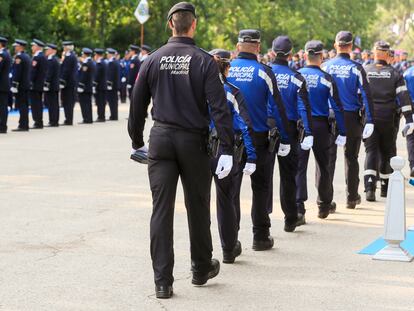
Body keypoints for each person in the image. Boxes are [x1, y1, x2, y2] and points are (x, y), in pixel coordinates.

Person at [128, 2, 234, 299]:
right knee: (198, 204)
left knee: (161, 209)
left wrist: (137, 141)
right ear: (194, 25)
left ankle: (163, 281)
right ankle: (201, 268)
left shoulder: (152, 59)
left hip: (161, 138)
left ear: (170, 25)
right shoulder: (203, 61)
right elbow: (219, 107)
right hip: (192, 141)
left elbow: (137, 105)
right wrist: (226, 147)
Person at [227, 29, 290, 250]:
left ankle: (230, 242)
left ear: (237, 46)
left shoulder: (227, 68)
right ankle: (260, 236)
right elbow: (277, 108)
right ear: (258, 46)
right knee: (261, 187)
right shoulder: (264, 71)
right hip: (258, 136)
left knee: (231, 189)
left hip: (231, 136)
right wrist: (285, 138)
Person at [209, 48, 256, 263]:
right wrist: (252, 155)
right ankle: (229, 247)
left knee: (199, 201)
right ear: (228, 68)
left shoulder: (198, 89)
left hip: (201, 149)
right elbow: (244, 126)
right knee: (227, 200)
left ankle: (202, 255)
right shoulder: (232, 91)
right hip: (225, 149)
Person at [322, 31, 375, 209]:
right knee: (351, 158)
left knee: (328, 159)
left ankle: (325, 201)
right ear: (351, 46)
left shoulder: (325, 66)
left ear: (336, 45)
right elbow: (367, 96)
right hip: (351, 117)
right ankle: (352, 197)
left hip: (329, 116)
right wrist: (370, 120)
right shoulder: (356, 67)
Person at [297, 40, 347, 219]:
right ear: (321, 56)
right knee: (323, 166)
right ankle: (324, 205)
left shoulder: (296, 75)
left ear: (304, 55)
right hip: (320, 125)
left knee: (299, 167)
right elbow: (337, 106)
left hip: (300, 125)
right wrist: (342, 131)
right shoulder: (326, 78)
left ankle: (298, 208)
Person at [269, 35, 313, 229]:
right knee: (289, 176)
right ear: (291, 54)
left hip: (267, 128)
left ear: (271, 52)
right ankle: (290, 218)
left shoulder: (265, 71)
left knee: (264, 177)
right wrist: (308, 132)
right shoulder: (296, 77)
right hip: (289, 129)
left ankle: (263, 221)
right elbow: (303, 107)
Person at [363, 41, 414, 201]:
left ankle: (370, 187)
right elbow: (404, 97)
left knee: (371, 151)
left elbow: (358, 95)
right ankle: (385, 187)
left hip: (369, 118)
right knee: (387, 152)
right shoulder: (394, 74)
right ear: (387, 54)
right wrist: (409, 119)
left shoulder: (365, 71)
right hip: (388, 119)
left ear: (374, 53)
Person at [11, 39, 31, 132]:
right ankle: (24, 124)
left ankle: (23, 125)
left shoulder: (19, 57)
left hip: (21, 85)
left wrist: (14, 84)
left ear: (20, 47)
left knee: (22, 105)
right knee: (24, 105)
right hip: (25, 84)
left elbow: (17, 72)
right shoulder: (26, 56)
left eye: (16, 46)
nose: (15, 48)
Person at [29, 39, 47, 129]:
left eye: (33, 46)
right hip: (40, 84)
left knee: (35, 104)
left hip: (35, 84)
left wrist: (30, 82)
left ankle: (37, 122)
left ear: (37, 47)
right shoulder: (43, 56)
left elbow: (33, 72)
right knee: (38, 103)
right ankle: (39, 121)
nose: (32, 47)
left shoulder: (37, 57)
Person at [60, 41, 78, 126]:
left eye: (64, 46)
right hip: (70, 82)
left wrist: (62, 80)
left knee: (68, 101)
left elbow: (66, 70)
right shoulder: (71, 56)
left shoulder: (69, 57)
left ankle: (68, 119)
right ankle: (68, 118)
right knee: (67, 101)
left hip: (68, 83)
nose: (63, 48)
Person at [43, 43, 60, 127]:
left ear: (52, 51)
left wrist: (46, 83)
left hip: (51, 85)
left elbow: (49, 74)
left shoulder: (51, 60)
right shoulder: (54, 59)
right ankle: (53, 120)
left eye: (47, 49)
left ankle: (53, 121)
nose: (46, 51)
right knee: (53, 104)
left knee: (52, 104)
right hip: (54, 85)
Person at [77, 48, 95, 124]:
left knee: (84, 103)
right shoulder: (91, 62)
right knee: (88, 103)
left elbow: (84, 75)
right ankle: (89, 118)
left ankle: (86, 119)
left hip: (84, 87)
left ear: (84, 54)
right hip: (89, 86)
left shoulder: (86, 63)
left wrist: (80, 85)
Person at [403, 58, 414, 177]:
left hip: (411, 107)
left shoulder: (407, 73)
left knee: (411, 137)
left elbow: (402, 93)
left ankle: (413, 164)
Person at [0, 36, 11, 133]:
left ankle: (2, 126)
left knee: (2, 106)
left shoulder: (2, 54)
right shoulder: (5, 53)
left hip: (2, 85)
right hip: (3, 84)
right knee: (2, 106)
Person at [93, 48, 107, 122]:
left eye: (95, 55)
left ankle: (101, 117)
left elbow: (97, 75)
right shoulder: (103, 62)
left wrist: (94, 84)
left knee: (100, 102)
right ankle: (101, 116)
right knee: (101, 102)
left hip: (100, 86)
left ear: (97, 55)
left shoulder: (100, 63)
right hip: (103, 85)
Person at [106, 48, 120, 121]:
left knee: (112, 101)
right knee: (114, 101)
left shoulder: (112, 62)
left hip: (112, 85)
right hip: (115, 85)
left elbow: (110, 75)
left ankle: (113, 116)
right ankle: (114, 115)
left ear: (110, 54)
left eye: (107, 54)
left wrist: (109, 85)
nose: (107, 55)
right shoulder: (116, 61)